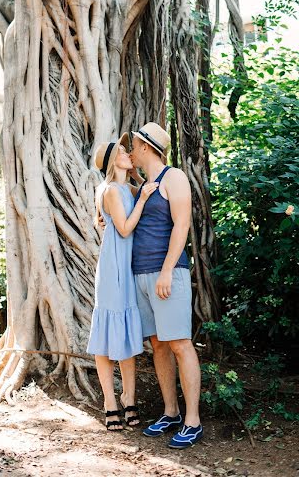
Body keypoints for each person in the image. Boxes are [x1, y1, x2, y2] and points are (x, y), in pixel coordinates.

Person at [130, 122, 203, 449]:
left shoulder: (174, 177)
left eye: (133, 145)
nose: (130, 151)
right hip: (141, 274)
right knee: (159, 344)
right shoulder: (143, 185)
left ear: (145, 147)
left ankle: (193, 420)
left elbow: (182, 225)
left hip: (167, 275)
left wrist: (166, 270)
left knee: (180, 344)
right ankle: (171, 412)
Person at [87, 133, 158, 431]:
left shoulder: (124, 187)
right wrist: (141, 199)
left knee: (127, 336)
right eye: (123, 151)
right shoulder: (112, 191)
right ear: (113, 159)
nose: (129, 152)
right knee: (106, 339)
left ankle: (130, 397)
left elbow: (138, 190)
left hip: (126, 267)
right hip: (114, 268)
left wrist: (137, 182)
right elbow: (126, 229)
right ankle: (110, 402)